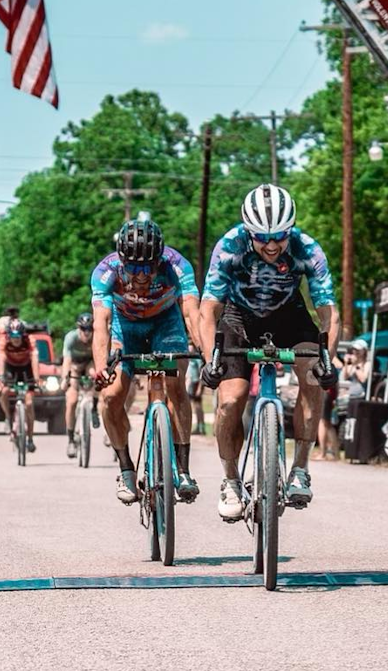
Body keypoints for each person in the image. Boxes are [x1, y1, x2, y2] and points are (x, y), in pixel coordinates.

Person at [198, 184, 340, 521]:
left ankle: (301, 469)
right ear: (249, 231)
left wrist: (327, 360)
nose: (273, 245)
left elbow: (328, 313)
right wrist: (209, 360)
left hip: (290, 315)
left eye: (280, 235)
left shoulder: (308, 249)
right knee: (231, 399)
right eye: (263, 237)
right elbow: (208, 311)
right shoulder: (229, 247)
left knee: (312, 376)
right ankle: (231, 480)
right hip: (239, 317)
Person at [91, 217, 201, 505]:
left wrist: (204, 348)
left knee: (176, 386)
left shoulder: (177, 265)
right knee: (111, 398)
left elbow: (191, 310)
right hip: (125, 329)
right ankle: (126, 469)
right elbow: (100, 323)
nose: (141, 276)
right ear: (121, 260)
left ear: (159, 259)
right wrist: (102, 365)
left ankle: (184, 468)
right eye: (134, 268)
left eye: (148, 267)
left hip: (166, 324)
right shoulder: (105, 272)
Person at [0, 318, 40, 454]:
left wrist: (37, 378)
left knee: (29, 403)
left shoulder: (30, 340)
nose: (16, 339)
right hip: (10, 368)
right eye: (13, 336)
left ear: (23, 335)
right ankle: (8, 418)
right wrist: (1, 377)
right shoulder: (4, 341)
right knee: (2, 391)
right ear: (9, 335)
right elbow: (1, 358)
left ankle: (31, 439)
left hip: (26, 368)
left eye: (18, 336)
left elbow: (34, 358)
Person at [61, 312, 98, 457]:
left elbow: (100, 358)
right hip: (74, 366)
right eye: (83, 329)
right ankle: (71, 440)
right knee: (71, 401)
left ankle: (94, 407)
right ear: (78, 328)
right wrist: (65, 378)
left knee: (96, 374)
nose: (87, 333)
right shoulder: (71, 338)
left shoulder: (96, 338)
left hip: (89, 364)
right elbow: (67, 360)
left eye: (89, 329)